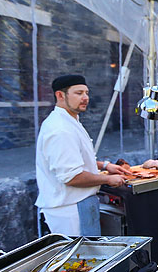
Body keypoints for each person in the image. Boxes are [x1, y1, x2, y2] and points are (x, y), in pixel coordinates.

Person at [35, 74, 131, 235]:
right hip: (68, 210)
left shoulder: (71, 121)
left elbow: (74, 159)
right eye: (78, 93)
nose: (85, 98)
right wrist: (108, 178)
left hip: (80, 203)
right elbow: (71, 177)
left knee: (89, 256)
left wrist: (106, 166)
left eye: (86, 93)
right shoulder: (60, 129)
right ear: (60, 95)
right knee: (79, 259)